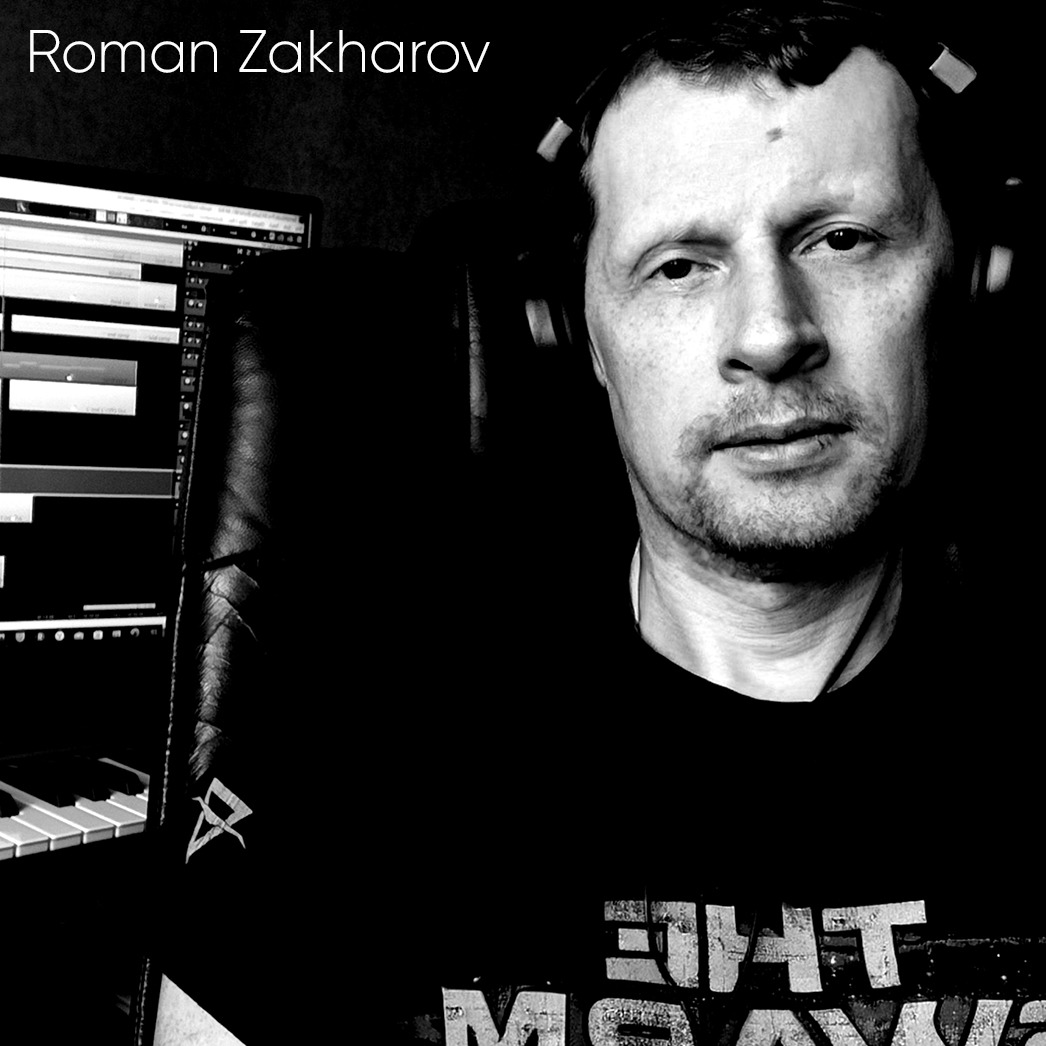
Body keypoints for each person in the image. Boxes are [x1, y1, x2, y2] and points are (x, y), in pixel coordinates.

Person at [380, 4, 1042, 1043]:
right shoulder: (368, 751)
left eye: (841, 239)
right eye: (680, 264)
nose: (771, 334)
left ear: (964, 283)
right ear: (570, 330)